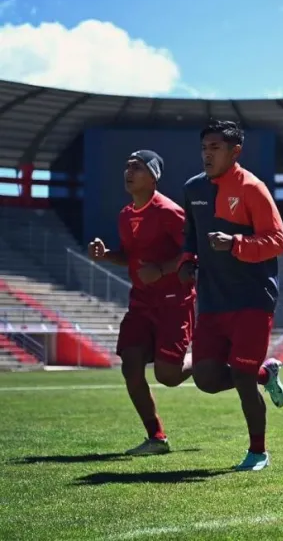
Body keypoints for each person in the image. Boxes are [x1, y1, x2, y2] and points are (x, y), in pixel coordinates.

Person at [179, 119, 283, 472]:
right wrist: (187, 261)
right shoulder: (193, 188)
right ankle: (264, 375)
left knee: (241, 377)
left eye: (216, 148)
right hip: (212, 299)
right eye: (204, 148)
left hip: (252, 298)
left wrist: (236, 243)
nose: (207, 154)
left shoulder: (253, 188)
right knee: (206, 379)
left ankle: (258, 452)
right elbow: (190, 236)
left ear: (235, 151)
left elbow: (278, 241)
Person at [87, 150, 195, 456]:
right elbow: (130, 257)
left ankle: (204, 356)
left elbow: (192, 254)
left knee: (168, 376)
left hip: (174, 300)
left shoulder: (170, 212)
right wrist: (106, 254)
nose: (128, 172)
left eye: (136, 167)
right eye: (127, 167)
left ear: (153, 176)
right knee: (131, 366)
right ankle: (156, 438)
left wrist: (161, 270)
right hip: (141, 302)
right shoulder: (125, 215)